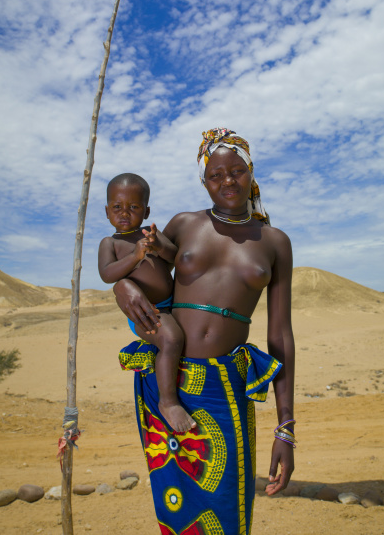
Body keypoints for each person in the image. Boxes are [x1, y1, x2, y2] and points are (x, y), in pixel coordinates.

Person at [115, 129, 295, 535]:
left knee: (228, 509)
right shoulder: (184, 224)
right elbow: (135, 266)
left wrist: (286, 426)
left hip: (224, 390)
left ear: (251, 172)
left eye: (236, 171)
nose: (227, 181)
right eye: (215, 175)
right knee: (175, 507)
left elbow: (280, 334)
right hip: (165, 381)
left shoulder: (274, 242)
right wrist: (121, 287)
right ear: (203, 181)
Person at [98, 172, 196, 433]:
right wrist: (136, 255)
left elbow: (176, 258)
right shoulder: (111, 243)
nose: (124, 213)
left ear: (146, 210)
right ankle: (168, 402)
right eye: (117, 207)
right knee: (171, 339)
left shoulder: (151, 233)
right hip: (147, 313)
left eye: (134, 207)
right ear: (107, 211)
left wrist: (158, 247)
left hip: (174, 303)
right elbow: (107, 274)